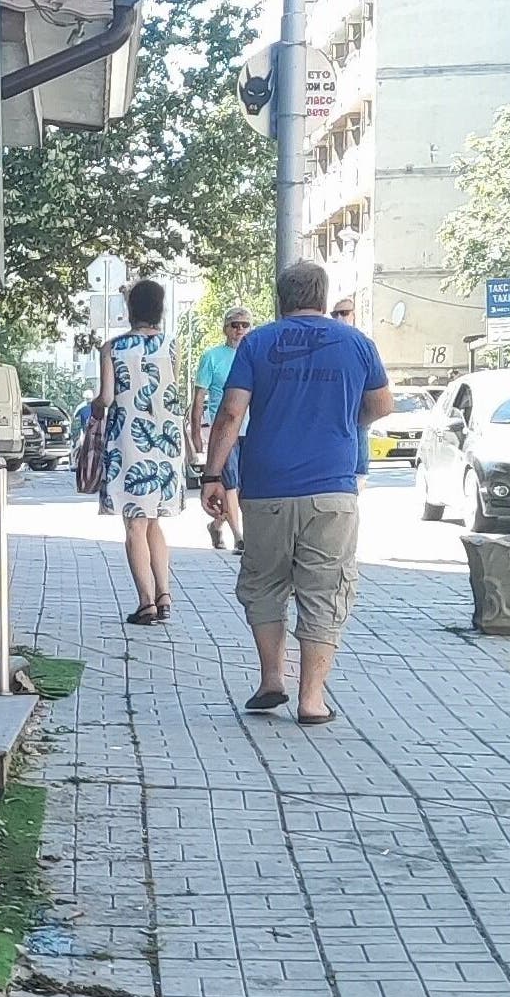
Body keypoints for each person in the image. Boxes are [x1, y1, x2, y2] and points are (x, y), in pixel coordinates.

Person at [202, 259, 393, 726]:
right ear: (323, 299)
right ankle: (311, 700)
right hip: (333, 488)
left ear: (280, 298)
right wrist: (344, 422)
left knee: (264, 582)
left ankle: (271, 679)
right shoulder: (357, 343)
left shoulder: (257, 343)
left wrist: (212, 474)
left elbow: (230, 413)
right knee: (325, 588)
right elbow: (381, 405)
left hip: (266, 487)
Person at [96, 279, 188, 625]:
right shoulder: (172, 345)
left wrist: (95, 407)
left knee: (134, 524)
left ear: (130, 309)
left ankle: (146, 602)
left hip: (129, 441)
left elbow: (107, 398)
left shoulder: (112, 348)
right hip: (166, 440)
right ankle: (165, 595)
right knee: (153, 523)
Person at [190, 305, 252, 553]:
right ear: (226, 328)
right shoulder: (212, 357)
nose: (240, 330)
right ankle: (239, 537)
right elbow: (199, 398)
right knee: (229, 484)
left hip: (251, 429)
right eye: (235, 325)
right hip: (225, 429)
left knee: (244, 487)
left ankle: (216, 525)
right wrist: (196, 432)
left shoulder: (255, 355)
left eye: (244, 325)